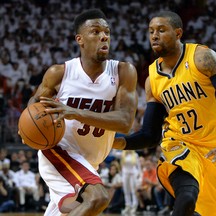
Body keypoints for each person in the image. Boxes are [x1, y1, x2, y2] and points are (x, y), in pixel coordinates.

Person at [113, 11, 216, 216]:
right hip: (179, 143)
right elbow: (150, 135)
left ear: (178, 33)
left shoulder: (202, 58)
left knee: (214, 211)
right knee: (186, 198)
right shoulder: (152, 79)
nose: (154, 36)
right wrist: (115, 142)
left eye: (161, 30)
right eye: (151, 32)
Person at [18, 9, 138, 216]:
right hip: (59, 151)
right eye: (96, 31)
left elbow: (125, 122)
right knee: (98, 198)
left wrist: (74, 112)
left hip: (90, 162)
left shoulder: (123, 72)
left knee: (76, 210)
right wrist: (27, 123)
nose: (104, 36)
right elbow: (34, 102)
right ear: (80, 39)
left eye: (107, 32)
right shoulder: (60, 73)